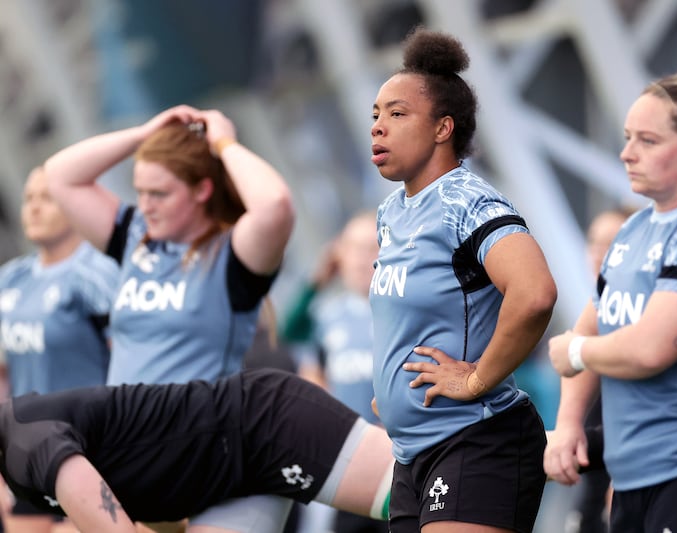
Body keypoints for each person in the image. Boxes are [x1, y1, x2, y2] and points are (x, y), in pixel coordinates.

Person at [43, 105, 296, 532]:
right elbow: (60, 174)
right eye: (140, 191)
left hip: (211, 471)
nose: (146, 205)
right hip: (132, 463)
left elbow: (274, 205)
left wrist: (223, 142)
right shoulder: (134, 239)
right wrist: (143, 135)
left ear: (201, 190)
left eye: (159, 194)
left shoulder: (232, 256)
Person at [369, 27, 558, 533]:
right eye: (376, 115)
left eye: (397, 113)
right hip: (413, 452)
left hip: (479, 438)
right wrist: (390, 390)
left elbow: (535, 294)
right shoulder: (392, 213)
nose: (379, 127)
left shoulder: (468, 203)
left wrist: (474, 379)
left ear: (442, 128)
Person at [545, 67, 677, 533]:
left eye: (647, 140)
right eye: (627, 137)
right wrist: (568, 424)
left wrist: (576, 354)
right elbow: (591, 323)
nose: (627, 153)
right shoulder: (633, 229)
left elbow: (652, 347)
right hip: (631, 475)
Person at [0, 367, 394, 533]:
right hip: (222, 491)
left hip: (266, 424)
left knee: (431, 498)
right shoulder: (16, 470)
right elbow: (153, 504)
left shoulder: (26, 442)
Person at [0, 167, 119, 533]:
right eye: (29, 199)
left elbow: (132, 361)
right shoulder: (11, 278)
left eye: (47, 198)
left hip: (90, 449)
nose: (34, 208)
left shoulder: (96, 274)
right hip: (28, 447)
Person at [281, 210, 385, 533]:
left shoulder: (401, 314)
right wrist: (316, 281)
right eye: (352, 248)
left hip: (394, 458)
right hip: (344, 458)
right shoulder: (327, 316)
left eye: (371, 247)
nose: (360, 259)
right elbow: (288, 329)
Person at [564, 207, 635, 533]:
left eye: (613, 244)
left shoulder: (639, 325)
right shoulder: (594, 316)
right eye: (594, 242)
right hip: (592, 489)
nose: (600, 254)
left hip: (629, 480)